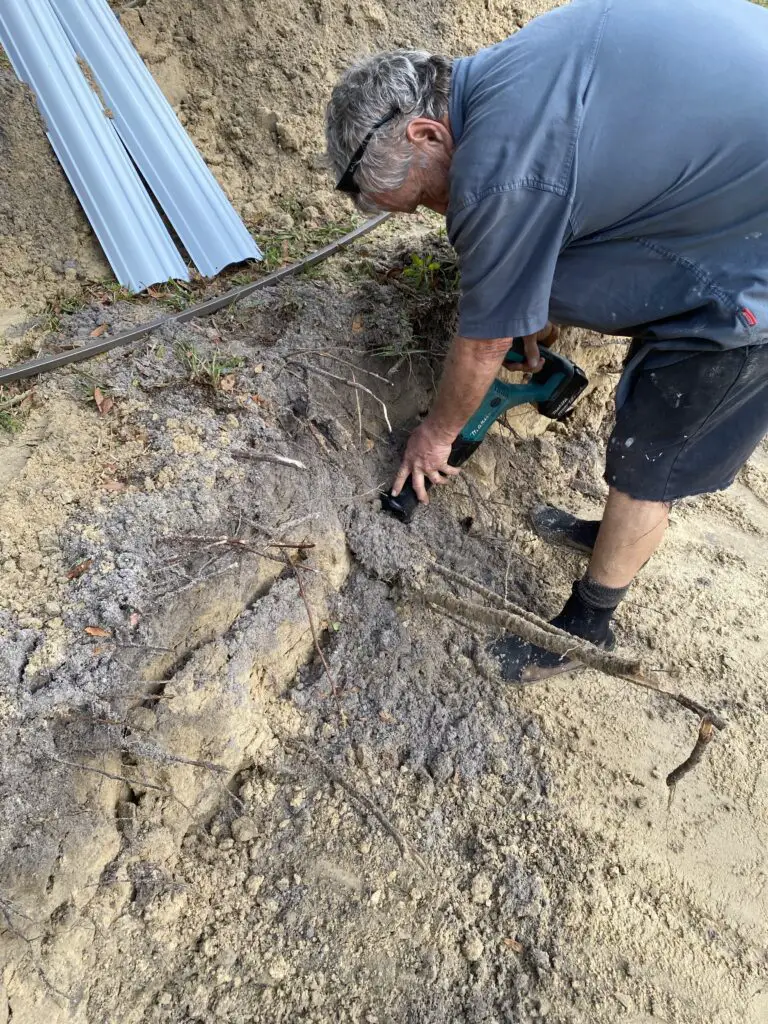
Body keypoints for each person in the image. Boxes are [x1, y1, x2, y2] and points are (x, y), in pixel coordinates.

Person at [324, 0, 768, 682]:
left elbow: (479, 342)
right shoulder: (508, 80)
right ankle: (613, 538)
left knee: (653, 451)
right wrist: (523, 296)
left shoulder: (506, 169)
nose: (441, 212)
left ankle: (589, 624)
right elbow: (565, 194)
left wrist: (436, 436)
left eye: (423, 199)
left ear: (424, 133)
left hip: (749, 265)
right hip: (729, 178)